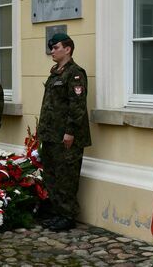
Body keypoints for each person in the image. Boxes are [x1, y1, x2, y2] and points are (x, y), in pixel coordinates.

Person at [38, 33, 91, 232]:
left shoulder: (75, 73)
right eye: (51, 47)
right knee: (52, 176)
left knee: (67, 177)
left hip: (66, 137)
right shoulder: (55, 73)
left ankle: (68, 216)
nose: (52, 51)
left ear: (67, 49)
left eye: (56, 47)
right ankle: (58, 213)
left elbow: (77, 106)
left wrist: (70, 132)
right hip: (51, 135)